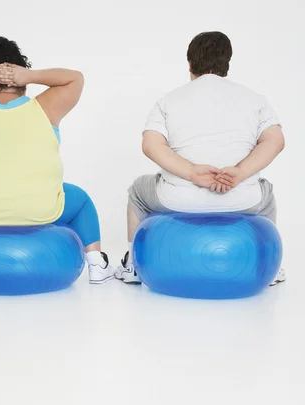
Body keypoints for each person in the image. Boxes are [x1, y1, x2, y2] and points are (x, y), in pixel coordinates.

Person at [0, 37, 114, 285]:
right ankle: (97, 264)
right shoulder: (46, 107)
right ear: (23, 80)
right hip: (38, 211)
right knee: (81, 200)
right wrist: (30, 76)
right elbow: (75, 78)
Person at [115, 31, 285, 285]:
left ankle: (133, 266)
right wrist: (240, 173)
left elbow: (151, 145)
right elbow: (275, 140)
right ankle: (270, 269)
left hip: (178, 198)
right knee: (267, 192)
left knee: (137, 191)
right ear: (226, 64)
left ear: (190, 64)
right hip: (242, 198)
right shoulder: (254, 99)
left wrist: (192, 173)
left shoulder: (168, 100)